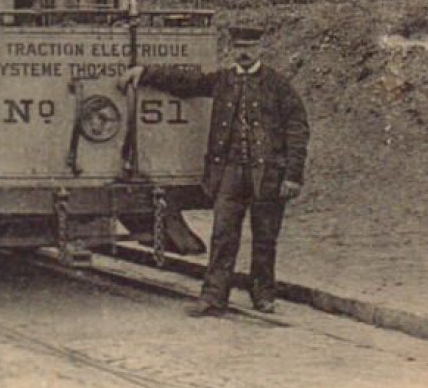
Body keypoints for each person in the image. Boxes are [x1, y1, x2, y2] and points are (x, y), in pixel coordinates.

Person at [121, 24, 309, 317]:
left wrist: (293, 175)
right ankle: (213, 297)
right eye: (239, 48)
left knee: (265, 237)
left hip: (267, 175)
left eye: (249, 47)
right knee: (222, 235)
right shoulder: (223, 80)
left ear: (260, 49)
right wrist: (145, 73)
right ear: (232, 50)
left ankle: (263, 295)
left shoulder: (278, 85)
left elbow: (298, 130)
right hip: (229, 174)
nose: (244, 53)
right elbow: (187, 81)